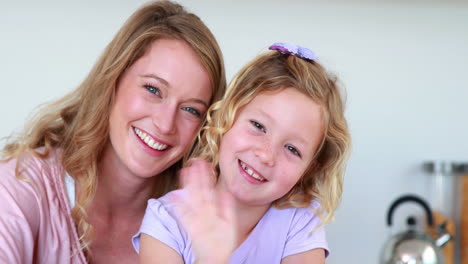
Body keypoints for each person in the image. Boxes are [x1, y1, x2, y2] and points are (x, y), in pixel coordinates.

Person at [0, 1, 226, 263]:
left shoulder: (193, 225)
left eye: (190, 110)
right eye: (153, 89)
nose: (165, 124)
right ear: (112, 80)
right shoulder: (19, 186)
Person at [133, 42, 351, 263]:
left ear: (307, 170)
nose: (266, 155)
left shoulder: (299, 222)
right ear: (227, 117)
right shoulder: (166, 221)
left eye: (292, 149)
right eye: (258, 126)